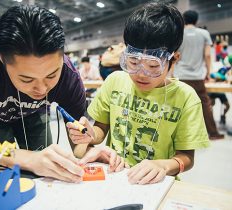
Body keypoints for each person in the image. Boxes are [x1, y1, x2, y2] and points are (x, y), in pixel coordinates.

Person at [0, 5, 123, 182]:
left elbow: (78, 147)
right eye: (27, 79)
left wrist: (89, 149)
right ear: (2, 59)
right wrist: (26, 158)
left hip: (34, 115)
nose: (42, 90)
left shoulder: (69, 77)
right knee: (1, 169)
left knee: (47, 166)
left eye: (51, 75)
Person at [67, 2, 210, 185]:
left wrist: (163, 166)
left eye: (152, 66)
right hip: (116, 175)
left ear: (174, 59)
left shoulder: (186, 98)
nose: (141, 74)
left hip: (156, 183)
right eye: (133, 62)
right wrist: (89, 135)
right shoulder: (115, 81)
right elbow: (101, 130)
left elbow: (187, 157)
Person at [173, 10, 224, 140]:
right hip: (197, 76)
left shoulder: (179, 34)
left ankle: (176, 135)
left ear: (183, 20)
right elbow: (207, 54)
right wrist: (209, 71)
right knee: (205, 104)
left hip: (180, 75)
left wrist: (171, 73)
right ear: (196, 20)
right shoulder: (204, 33)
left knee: (178, 104)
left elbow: (174, 56)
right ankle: (213, 133)